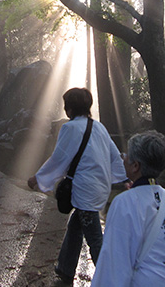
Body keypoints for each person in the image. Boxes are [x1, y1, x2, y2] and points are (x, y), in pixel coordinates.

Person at [27, 87, 127, 284]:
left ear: (70, 108)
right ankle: (65, 269)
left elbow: (59, 158)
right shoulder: (98, 127)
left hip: (85, 191)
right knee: (76, 226)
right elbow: (114, 155)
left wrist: (38, 178)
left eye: (66, 106)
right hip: (99, 188)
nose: (65, 110)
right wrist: (123, 178)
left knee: (95, 238)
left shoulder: (70, 128)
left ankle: (112, 279)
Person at [90, 131, 165, 287]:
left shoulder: (123, 203)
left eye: (126, 156)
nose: (123, 159)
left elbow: (114, 264)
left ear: (136, 166)